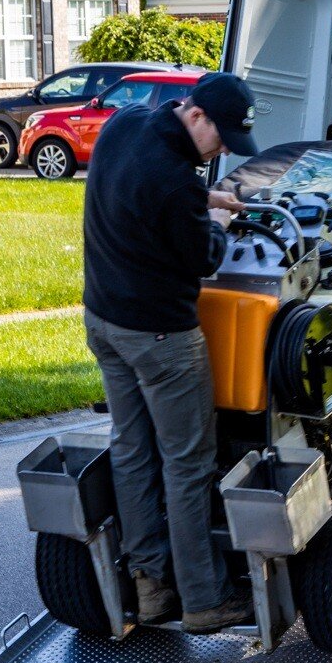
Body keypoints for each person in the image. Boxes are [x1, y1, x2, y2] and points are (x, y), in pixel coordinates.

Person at [82, 72, 257, 634]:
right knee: (188, 465)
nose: (225, 149)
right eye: (222, 137)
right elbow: (203, 256)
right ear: (197, 115)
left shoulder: (125, 125)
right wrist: (221, 217)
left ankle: (151, 588)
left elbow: (140, 189)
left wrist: (206, 195)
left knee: (132, 451)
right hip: (162, 339)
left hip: (104, 321)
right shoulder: (177, 183)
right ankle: (206, 600)